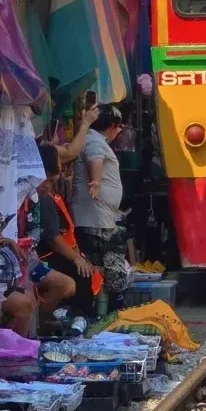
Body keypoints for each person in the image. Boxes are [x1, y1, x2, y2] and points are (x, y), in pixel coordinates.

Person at [0, 145, 82, 337]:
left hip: (29, 262)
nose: (48, 186)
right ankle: (22, 338)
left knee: (67, 285)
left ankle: (38, 326)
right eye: (47, 180)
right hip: (8, 267)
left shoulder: (36, 201)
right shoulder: (13, 196)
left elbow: (34, 242)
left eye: (52, 182)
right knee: (27, 298)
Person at [70, 104, 126, 312]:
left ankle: (105, 313)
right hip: (95, 221)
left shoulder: (94, 139)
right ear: (112, 126)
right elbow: (96, 159)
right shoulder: (94, 141)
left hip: (100, 219)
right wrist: (96, 181)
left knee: (103, 271)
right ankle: (105, 314)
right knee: (112, 274)